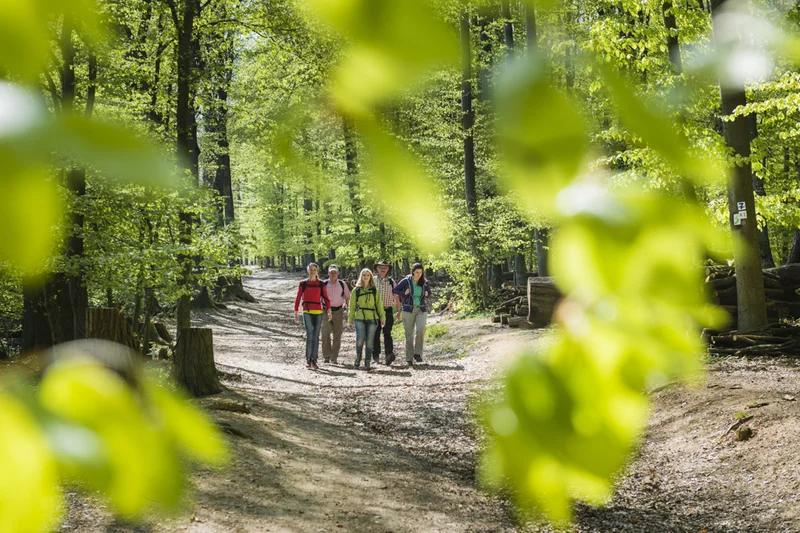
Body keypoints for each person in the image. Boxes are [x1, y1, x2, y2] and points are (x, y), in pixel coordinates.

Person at [293, 263, 331, 369]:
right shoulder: (303, 283)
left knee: (316, 335)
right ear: (308, 271)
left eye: (314, 269)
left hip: (318, 312)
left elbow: (326, 298)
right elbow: (298, 297)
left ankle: (314, 359)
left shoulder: (321, 284)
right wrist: (295, 312)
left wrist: (329, 310)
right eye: (311, 269)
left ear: (317, 271)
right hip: (307, 311)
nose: (313, 271)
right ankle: (308, 359)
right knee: (309, 335)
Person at [393, 263, 432, 367]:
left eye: (421, 272)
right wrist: (404, 293)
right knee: (409, 334)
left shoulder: (425, 282)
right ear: (413, 272)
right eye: (417, 272)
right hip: (408, 309)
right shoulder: (406, 281)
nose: (419, 274)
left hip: (421, 309)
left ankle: (417, 354)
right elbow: (395, 290)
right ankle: (409, 358)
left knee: (421, 329)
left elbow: (429, 292)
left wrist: (428, 293)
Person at [347, 268, 385, 371]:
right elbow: (352, 306)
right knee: (360, 339)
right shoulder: (356, 290)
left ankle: (367, 361)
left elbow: (379, 305)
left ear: (371, 277)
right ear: (361, 277)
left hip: (372, 318)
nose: (366, 277)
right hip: (359, 317)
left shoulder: (374, 291)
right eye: (364, 275)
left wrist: (382, 317)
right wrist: (350, 320)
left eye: (368, 275)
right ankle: (358, 357)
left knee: (369, 341)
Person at [372, 260, 401, 366]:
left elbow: (396, 297)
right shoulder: (372, 281)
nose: (383, 269)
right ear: (377, 269)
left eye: (385, 267)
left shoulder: (391, 282)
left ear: (388, 269)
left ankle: (389, 354)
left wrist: (398, 311)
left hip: (388, 310)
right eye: (380, 267)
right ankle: (375, 356)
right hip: (375, 311)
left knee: (387, 333)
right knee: (375, 334)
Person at [321, 264, 350, 364]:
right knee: (325, 332)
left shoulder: (342, 284)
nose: (333, 274)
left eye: (335, 272)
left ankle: (334, 357)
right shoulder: (323, 284)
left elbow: (347, 296)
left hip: (338, 311)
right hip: (325, 311)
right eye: (331, 272)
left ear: (338, 273)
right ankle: (326, 356)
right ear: (328, 273)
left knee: (337, 334)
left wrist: (347, 308)